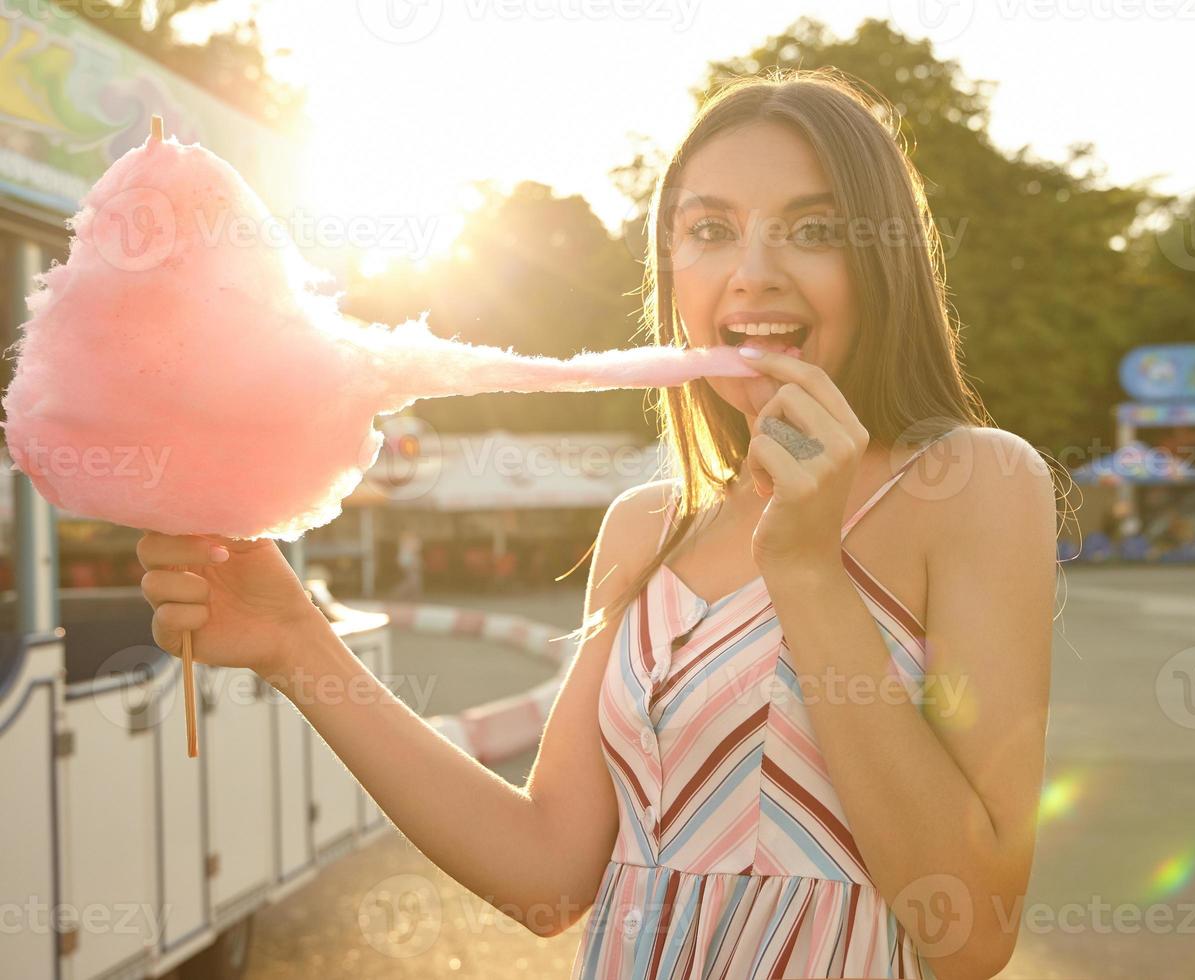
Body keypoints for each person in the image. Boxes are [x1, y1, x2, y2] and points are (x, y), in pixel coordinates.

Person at [132, 70, 1056, 980]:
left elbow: (970, 934)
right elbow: (544, 874)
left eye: (814, 230)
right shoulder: (645, 526)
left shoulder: (970, 482)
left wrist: (810, 573)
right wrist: (297, 644)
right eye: (709, 230)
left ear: (882, 259)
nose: (753, 273)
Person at [389, 528, 423, 599]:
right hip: (408, 561)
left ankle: (413, 597)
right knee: (413, 580)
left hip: (408, 561)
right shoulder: (408, 543)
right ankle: (396, 595)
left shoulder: (406, 542)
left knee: (413, 580)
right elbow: (412, 552)